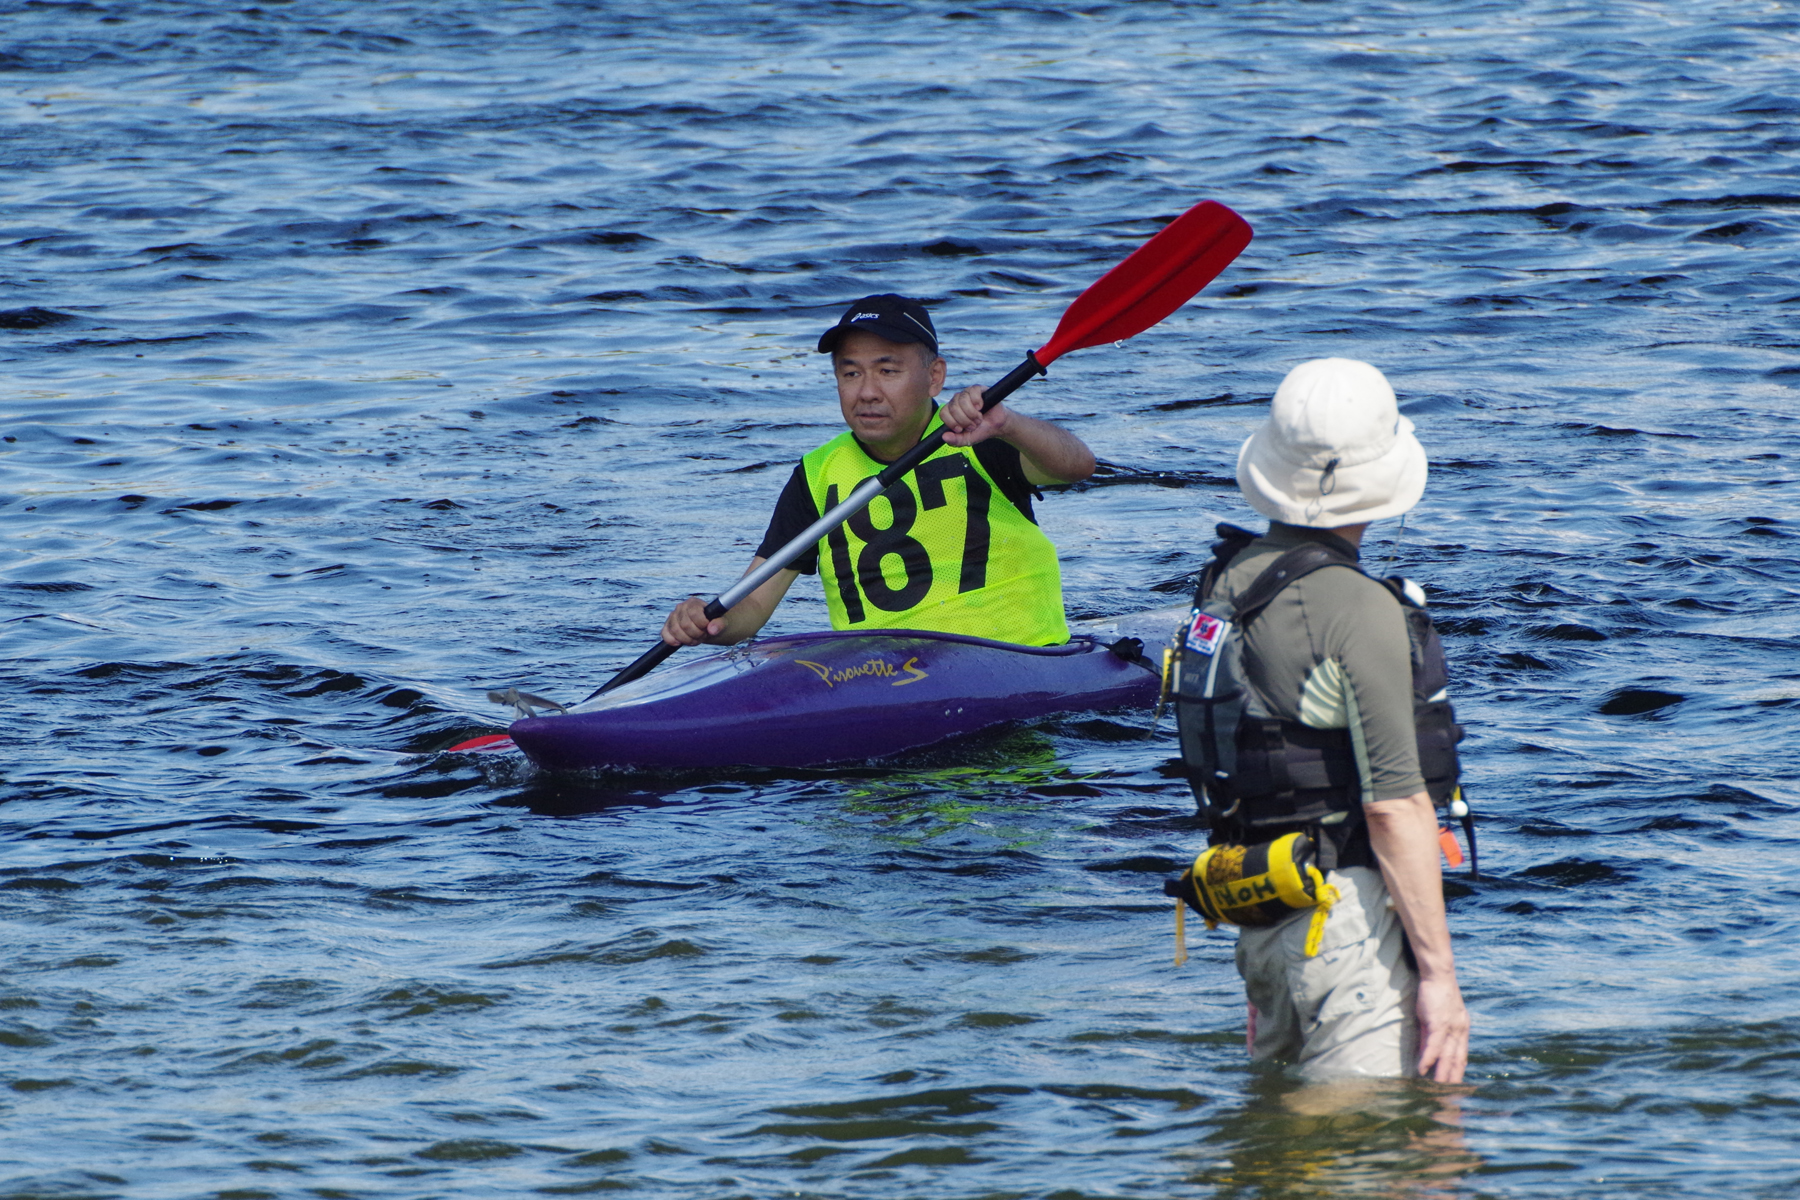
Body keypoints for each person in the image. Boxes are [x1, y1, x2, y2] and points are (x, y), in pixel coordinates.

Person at [1172, 357, 1470, 1083]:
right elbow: (1397, 806)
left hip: (1263, 909)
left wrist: (1269, 960)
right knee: (1394, 1146)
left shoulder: (1226, 584)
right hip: (1348, 923)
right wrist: (1438, 978)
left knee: (1291, 1151)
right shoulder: (1359, 609)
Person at [661, 294, 1096, 648]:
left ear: (934, 377)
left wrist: (1011, 424)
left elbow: (1078, 466)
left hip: (1016, 657)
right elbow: (754, 604)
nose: (867, 392)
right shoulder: (816, 475)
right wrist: (706, 622)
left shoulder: (982, 437)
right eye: (850, 373)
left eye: (887, 371)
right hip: (880, 679)